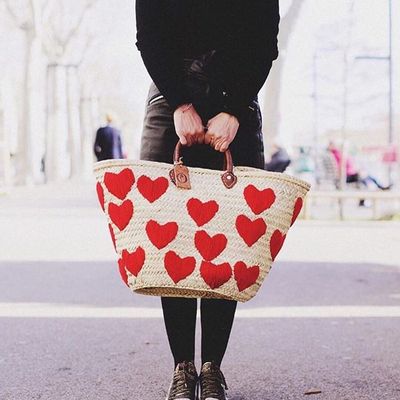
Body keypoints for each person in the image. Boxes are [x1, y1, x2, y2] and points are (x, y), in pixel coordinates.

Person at [135, 2, 280, 399]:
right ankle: (182, 366)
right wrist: (180, 103)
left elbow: (264, 43)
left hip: (237, 101)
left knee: (229, 235)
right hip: (170, 102)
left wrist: (234, 110)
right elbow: (149, 37)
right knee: (172, 236)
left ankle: (212, 367)